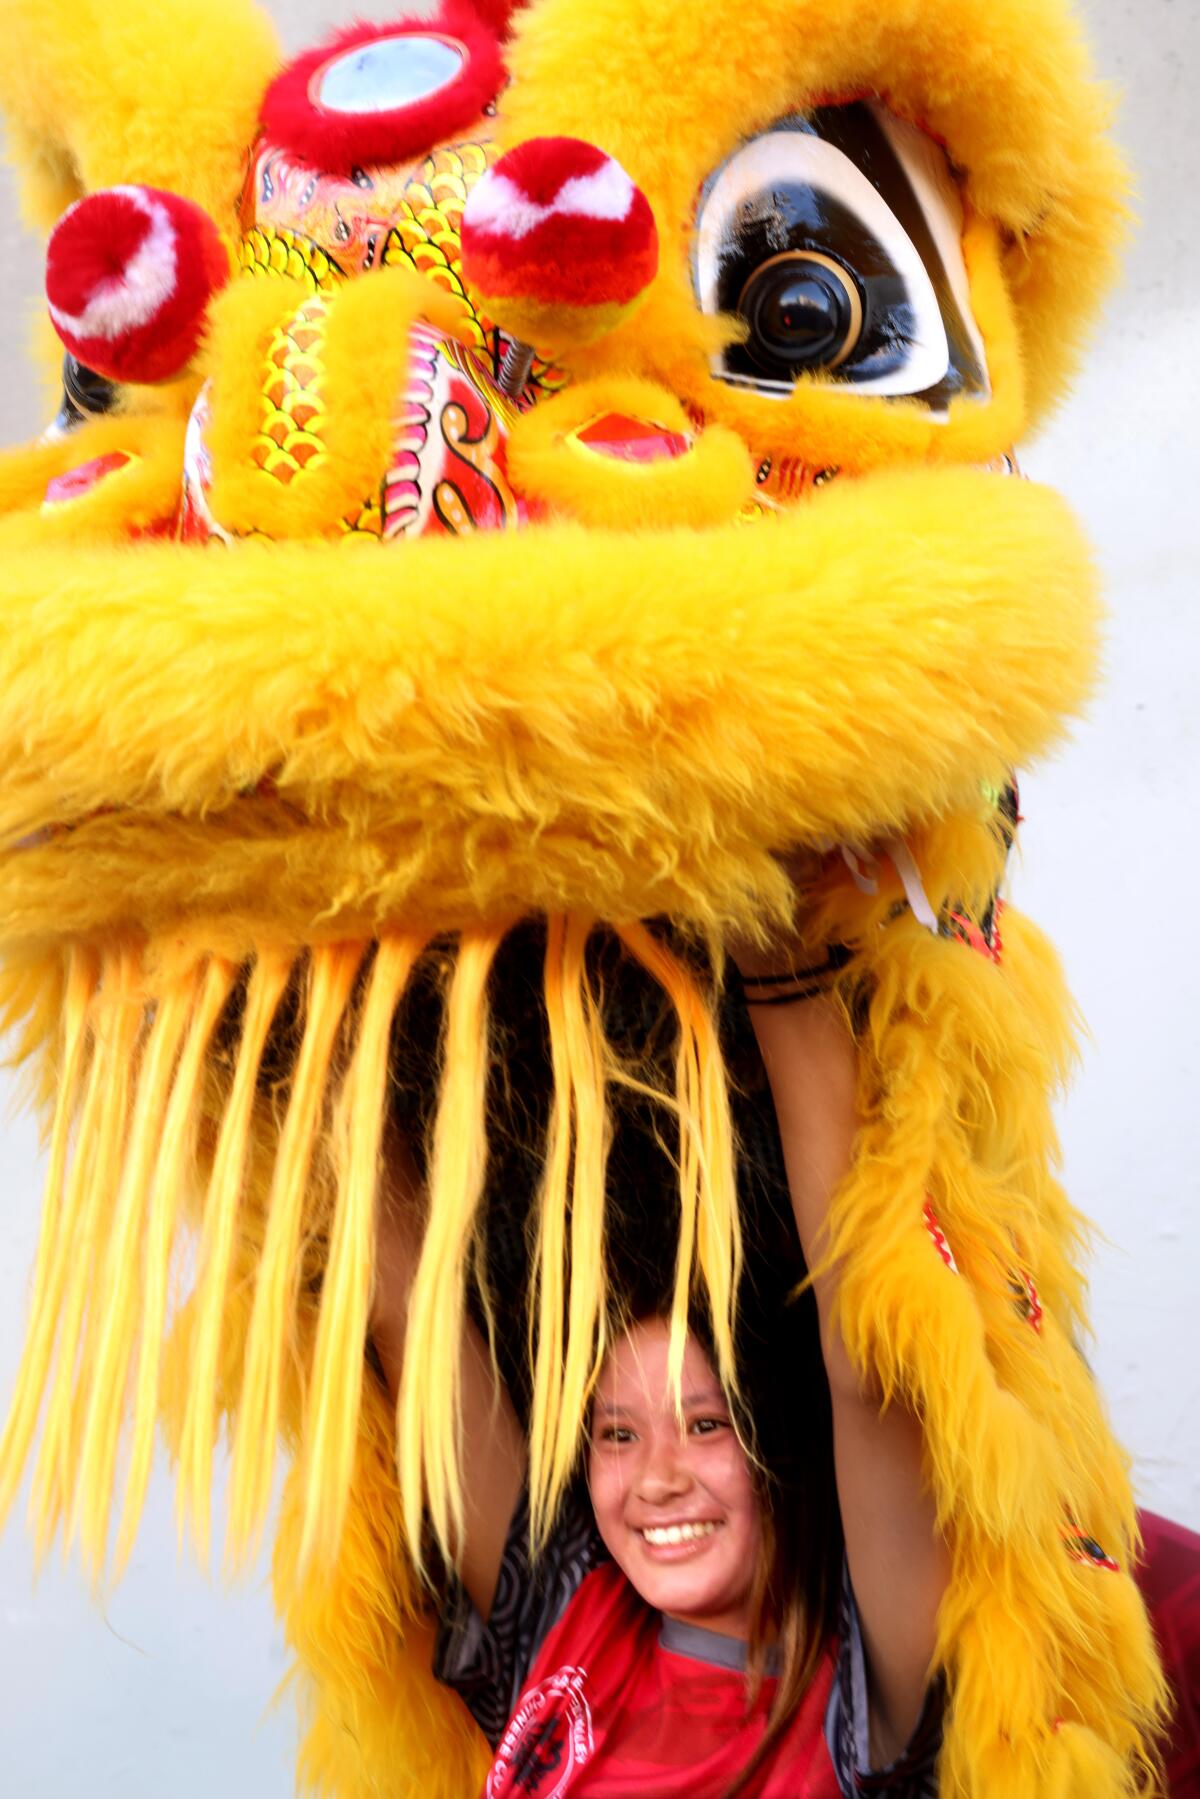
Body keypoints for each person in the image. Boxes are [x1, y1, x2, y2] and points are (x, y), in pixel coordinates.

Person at [370, 893, 951, 1797]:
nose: (657, 1478)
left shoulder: (869, 1696)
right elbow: (401, 1297)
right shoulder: (565, 1615)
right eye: (617, 1433)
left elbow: (864, 1354)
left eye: (706, 1424)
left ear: (782, 1446)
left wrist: (773, 936)